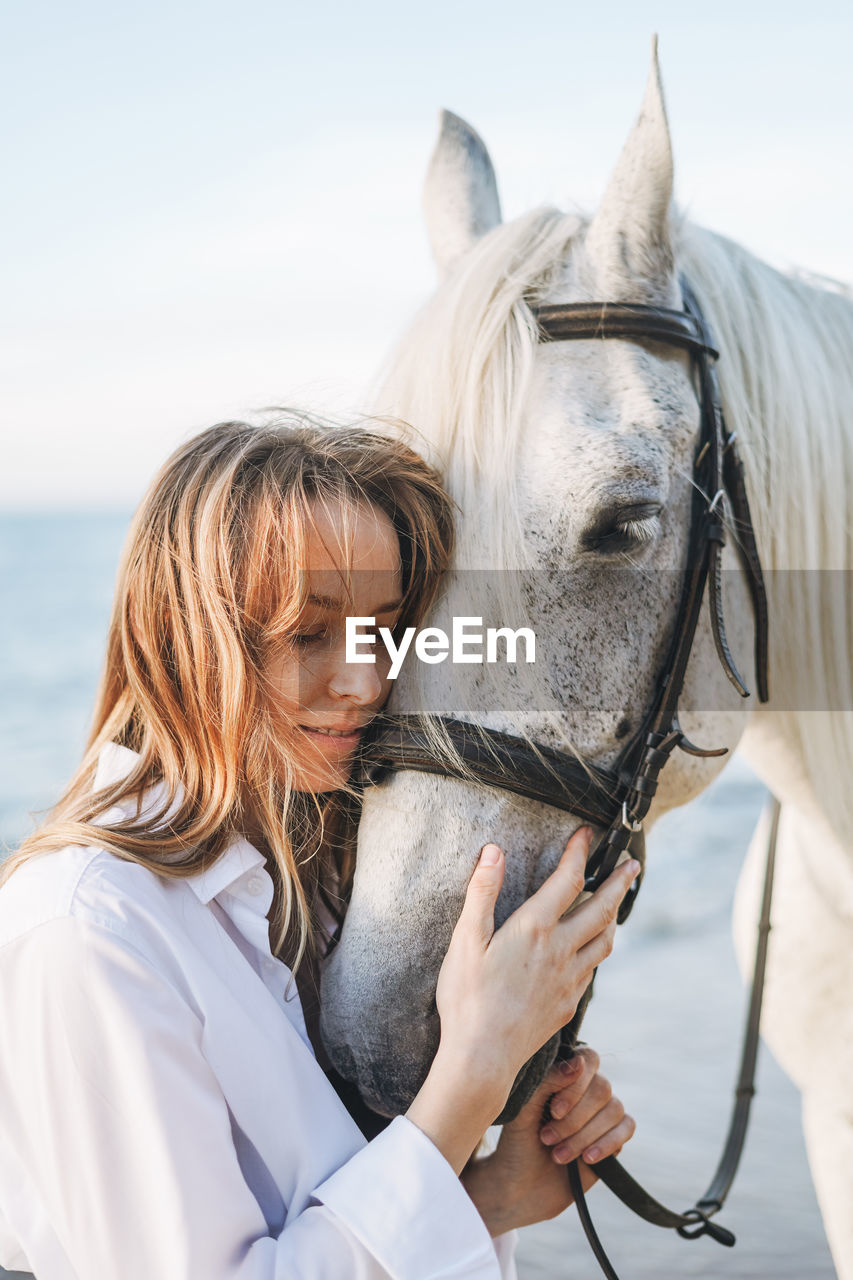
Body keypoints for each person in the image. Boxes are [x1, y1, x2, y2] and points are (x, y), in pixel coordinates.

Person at [0, 415, 639, 1279]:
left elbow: (315, 1225)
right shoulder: (89, 930)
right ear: (183, 636)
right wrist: (473, 1072)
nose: (365, 682)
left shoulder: (320, 877)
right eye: (309, 633)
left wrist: (493, 1194)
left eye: (383, 628)